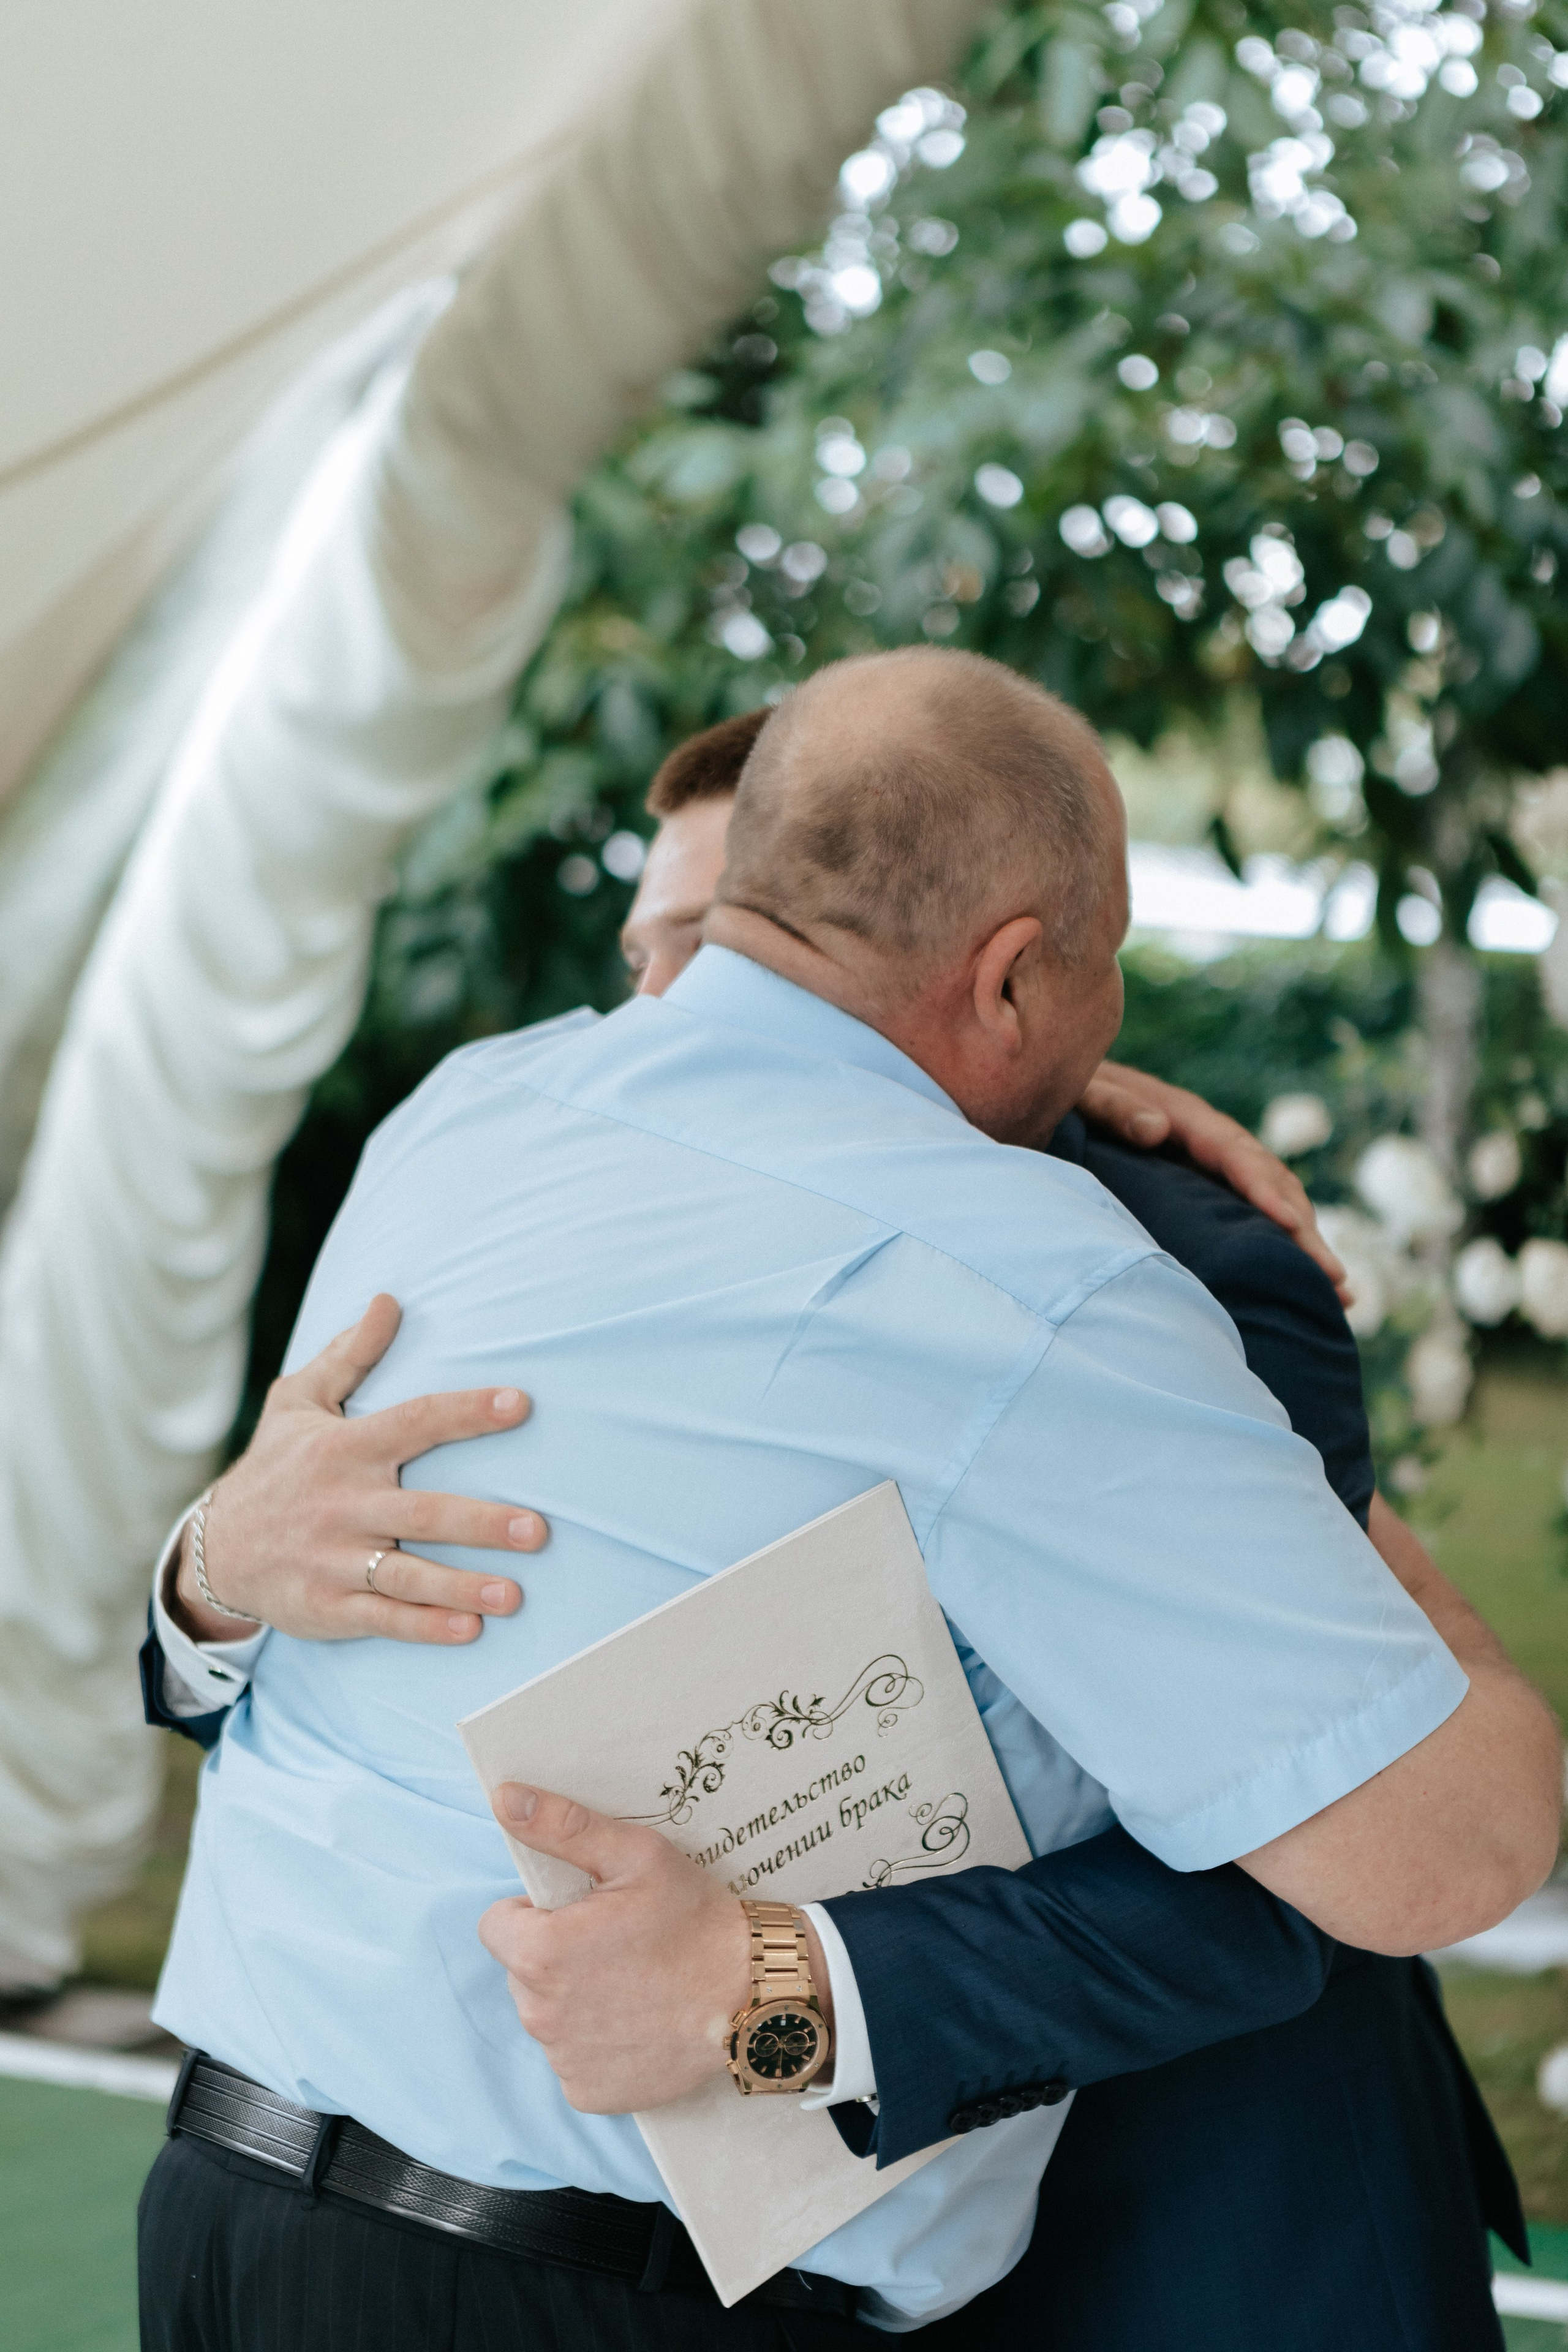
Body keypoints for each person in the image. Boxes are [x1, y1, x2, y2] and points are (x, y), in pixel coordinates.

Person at [137, 652, 1559, 2348]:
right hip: (600, 2289)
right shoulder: (1043, 1286)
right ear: (1023, 974)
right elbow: (1445, 1855)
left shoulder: (463, 1116)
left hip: (221, 2218)